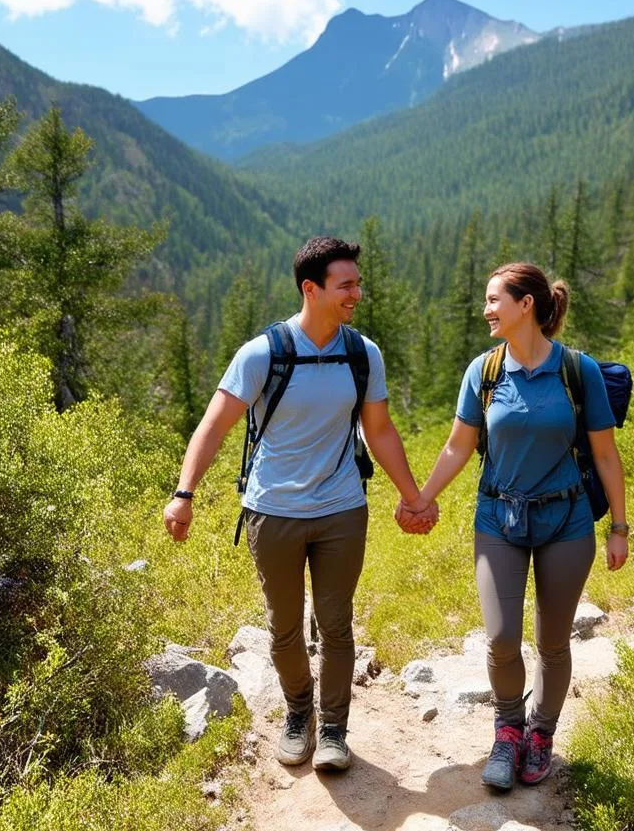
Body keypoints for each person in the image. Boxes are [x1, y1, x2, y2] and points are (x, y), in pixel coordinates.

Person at [164, 236, 437, 772]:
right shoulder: (264, 353)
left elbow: (378, 430)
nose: (357, 293)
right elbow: (214, 425)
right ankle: (298, 714)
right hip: (274, 513)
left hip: (340, 509)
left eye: (357, 283)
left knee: (336, 626)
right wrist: (184, 494)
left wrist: (413, 497)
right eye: (346, 285)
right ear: (311, 288)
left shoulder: (362, 353)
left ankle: (334, 730)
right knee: (284, 627)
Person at [400, 262, 628, 790]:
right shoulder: (483, 372)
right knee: (502, 639)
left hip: (566, 520)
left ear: (526, 305)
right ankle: (507, 731)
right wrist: (420, 499)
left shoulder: (577, 371)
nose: (486, 310)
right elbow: (459, 445)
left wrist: (619, 525)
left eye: (494, 299)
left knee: (553, 641)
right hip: (498, 519)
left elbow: (606, 454)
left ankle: (540, 735)